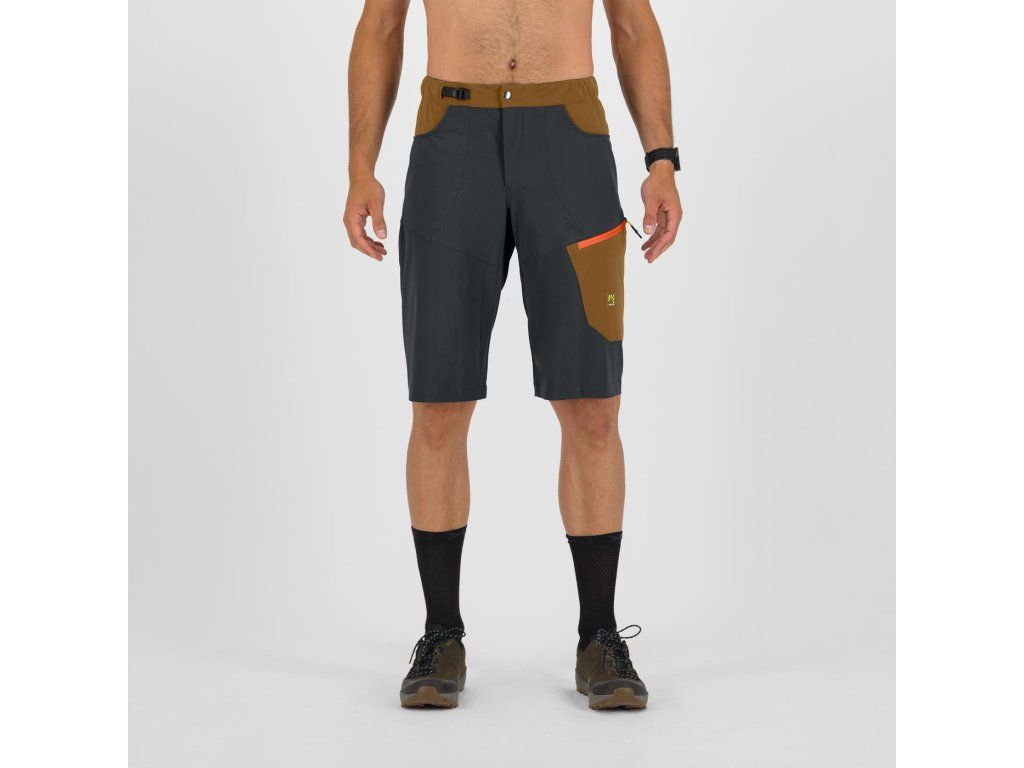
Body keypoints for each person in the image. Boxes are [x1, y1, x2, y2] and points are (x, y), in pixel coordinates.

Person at [344, 0, 682, 710]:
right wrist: (360, 167)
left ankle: (599, 636)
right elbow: (380, 25)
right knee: (438, 403)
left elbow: (631, 22)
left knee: (593, 406)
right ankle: (441, 633)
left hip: (571, 136)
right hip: (451, 136)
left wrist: (662, 159)